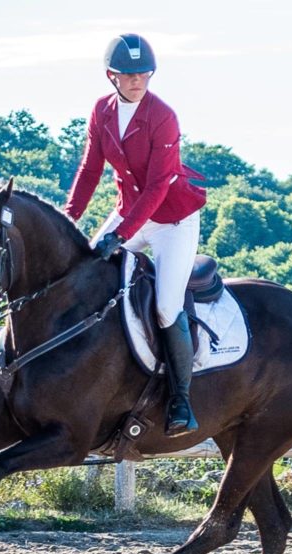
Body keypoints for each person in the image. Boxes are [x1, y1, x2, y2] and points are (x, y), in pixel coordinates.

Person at [65, 33, 207, 437]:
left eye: (144, 73)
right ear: (112, 76)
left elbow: (158, 187)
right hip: (129, 212)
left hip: (173, 222)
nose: (138, 81)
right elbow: (90, 170)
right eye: (129, 75)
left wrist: (122, 233)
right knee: (84, 272)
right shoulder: (101, 111)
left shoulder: (163, 115)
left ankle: (181, 399)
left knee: (165, 306)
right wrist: (69, 219)